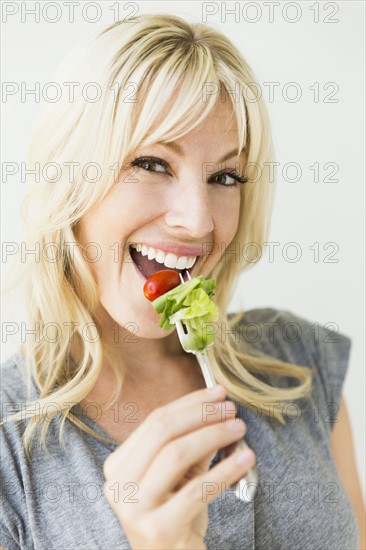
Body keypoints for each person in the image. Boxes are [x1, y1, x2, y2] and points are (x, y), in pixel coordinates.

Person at [0, 14, 364, 550]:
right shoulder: (12, 450)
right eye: (151, 163)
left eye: (224, 177)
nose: (198, 221)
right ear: (69, 179)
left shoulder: (300, 364)